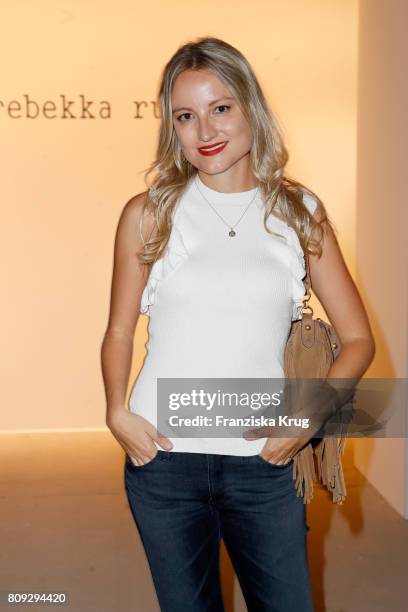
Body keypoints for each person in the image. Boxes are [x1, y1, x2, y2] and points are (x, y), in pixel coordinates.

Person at [101, 37, 375, 612]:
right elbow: (120, 331)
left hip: (264, 463)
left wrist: (303, 421)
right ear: (171, 128)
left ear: (251, 106)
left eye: (220, 107)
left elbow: (357, 340)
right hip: (162, 462)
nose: (205, 130)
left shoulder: (300, 214)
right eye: (185, 116)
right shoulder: (148, 213)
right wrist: (116, 413)